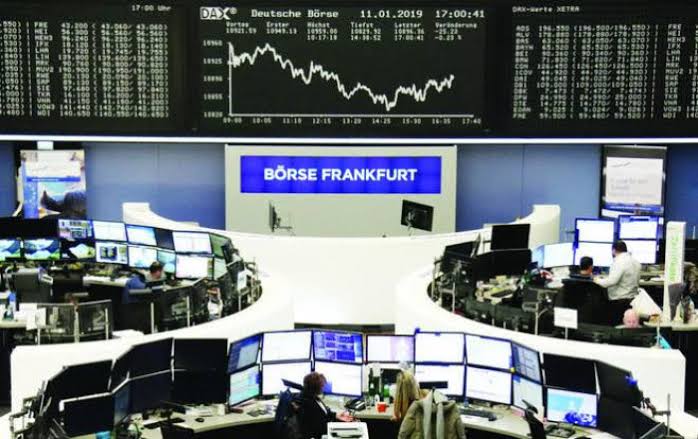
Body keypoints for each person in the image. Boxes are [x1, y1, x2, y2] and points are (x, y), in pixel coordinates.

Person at [595, 241, 641, 326]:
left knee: (618, 327)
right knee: (629, 326)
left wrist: (596, 280)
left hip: (619, 302)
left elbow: (611, 282)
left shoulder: (619, 261)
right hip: (632, 300)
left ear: (613, 250)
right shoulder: (635, 261)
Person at [300, 372, 353, 439]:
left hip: (326, 427)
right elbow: (321, 427)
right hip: (321, 434)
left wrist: (336, 415)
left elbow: (324, 412)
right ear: (315, 388)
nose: (323, 388)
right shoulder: (309, 404)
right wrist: (341, 424)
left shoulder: (313, 397)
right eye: (322, 386)